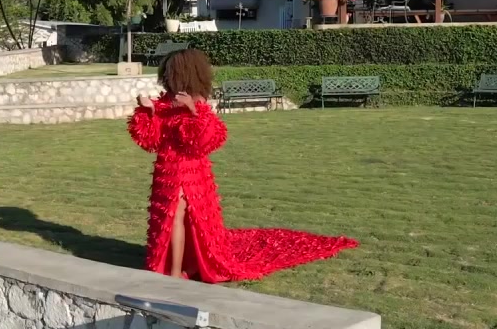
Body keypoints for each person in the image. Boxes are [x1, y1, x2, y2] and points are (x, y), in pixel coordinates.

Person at [127, 48, 357, 283]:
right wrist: (149, 111)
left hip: (190, 172)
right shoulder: (166, 102)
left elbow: (205, 140)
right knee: (172, 217)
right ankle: (183, 266)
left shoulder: (197, 102)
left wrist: (193, 111)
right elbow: (151, 140)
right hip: (166, 171)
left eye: (172, 72)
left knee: (179, 215)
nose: (167, 77)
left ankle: (177, 273)